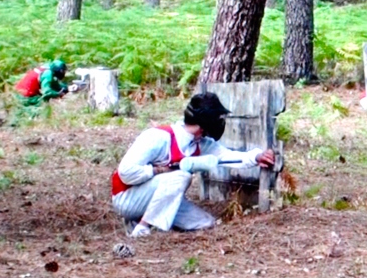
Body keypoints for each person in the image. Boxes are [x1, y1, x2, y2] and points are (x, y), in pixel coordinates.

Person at [111, 92, 276, 238]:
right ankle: (142, 228)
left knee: (206, 223)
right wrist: (159, 170)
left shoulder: (201, 144)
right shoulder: (158, 138)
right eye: (217, 119)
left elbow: (228, 156)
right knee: (181, 176)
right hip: (127, 197)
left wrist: (256, 157)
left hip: (157, 198)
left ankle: (144, 219)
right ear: (205, 124)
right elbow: (126, 172)